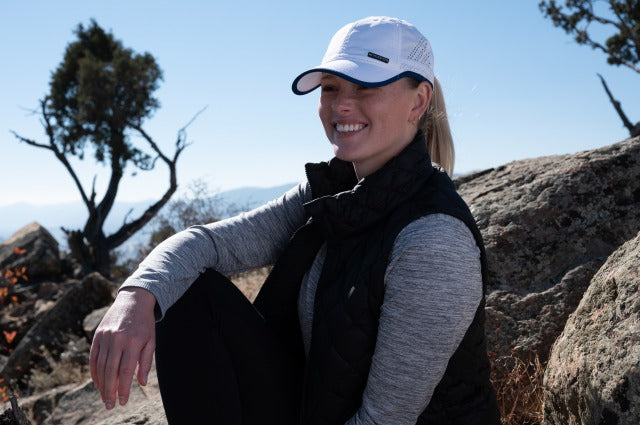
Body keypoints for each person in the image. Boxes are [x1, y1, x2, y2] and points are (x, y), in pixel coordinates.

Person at [90, 16, 500, 424]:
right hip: (316, 405)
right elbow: (209, 245)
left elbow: (384, 419)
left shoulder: (433, 240)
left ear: (418, 101)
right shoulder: (330, 192)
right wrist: (137, 296)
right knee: (185, 293)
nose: (340, 104)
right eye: (331, 87)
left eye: (366, 87)